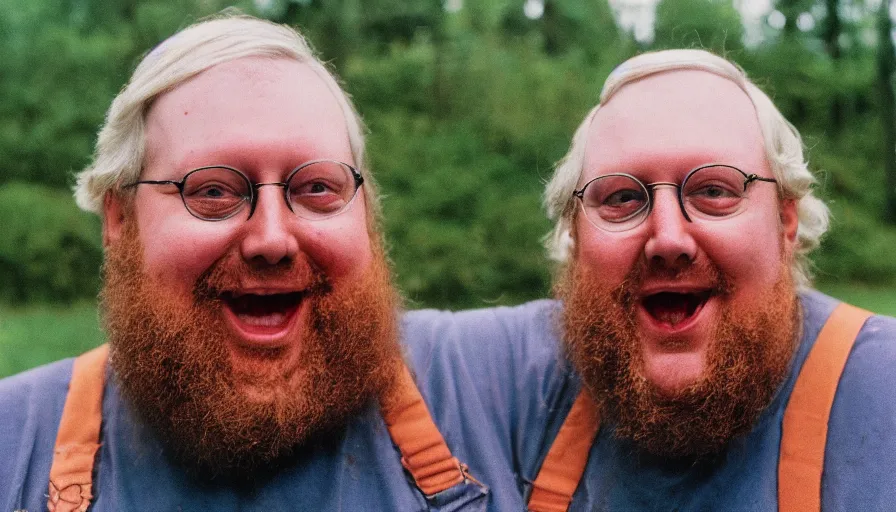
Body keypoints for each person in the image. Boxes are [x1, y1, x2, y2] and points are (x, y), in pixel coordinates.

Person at [0, 14, 527, 511]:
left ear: (366, 212)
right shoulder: (13, 444)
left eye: (317, 187)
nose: (272, 239)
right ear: (119, 218)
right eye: (212, 190)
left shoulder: (491, 389)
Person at [404, 48, 896, 511]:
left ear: (785, 222)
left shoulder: (880, 384)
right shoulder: (515, 377)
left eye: (713, 190)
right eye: (620, 199)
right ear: (575, 237)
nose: (667, 238)